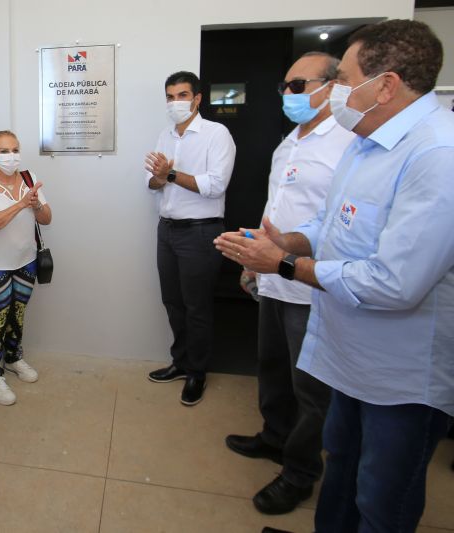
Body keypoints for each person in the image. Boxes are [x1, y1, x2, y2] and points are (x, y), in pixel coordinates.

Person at [215, 20, 454, 532]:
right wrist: (282, 243)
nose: (340, 89)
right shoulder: (366, 143)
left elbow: (394, 282)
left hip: (398, 377)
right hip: (349, 351)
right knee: (342, 469)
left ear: (385, 85)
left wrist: (282, 264)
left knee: (380, 500)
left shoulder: (437, 155)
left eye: (344, 78)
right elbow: (327, 223)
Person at [224, 52, 355, 515]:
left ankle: (300, 473)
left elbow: (339, 224)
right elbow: (275, 209)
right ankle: (274, 437)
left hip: (311, 285)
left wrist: (284, 258)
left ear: (333, 85)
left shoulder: (346, 142)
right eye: (285, 86)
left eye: (297, 86)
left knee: (311, 387)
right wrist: (254, 260)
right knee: (272, 365)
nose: (287, 95)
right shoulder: (289, 143)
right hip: (274, 278)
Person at [144, 71, 236, 406]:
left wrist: (168, 174)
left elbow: (215, 185)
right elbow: (150, 183)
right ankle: (180, 363)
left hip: (200, 231)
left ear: (197, 99)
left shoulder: (217, 134)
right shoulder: (165, 135)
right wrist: (158, 178)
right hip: (167, 229)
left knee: (197, 307)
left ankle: (197, 372)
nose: (175, 103)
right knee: (173, 301)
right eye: (170, 97)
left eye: (182, 96)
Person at [0, 130, 52, 406]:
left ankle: (14, 358)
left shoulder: (29, 178)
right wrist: (20, 204)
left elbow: (47, 218)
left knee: (17, 315)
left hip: (25, 260)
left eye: (15, 149)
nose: (11, 156)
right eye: (3, 151)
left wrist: (35, 203)